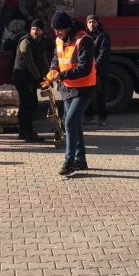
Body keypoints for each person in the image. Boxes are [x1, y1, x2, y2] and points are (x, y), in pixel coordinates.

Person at [48, 10, 96, 176]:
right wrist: (53, 70)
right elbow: (56, 59)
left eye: (60, 29)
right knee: (75, 124)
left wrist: (62, 75)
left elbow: (85, 68)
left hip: (84, 88)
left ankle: (69, 162)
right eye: (55, 30)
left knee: (69, 123)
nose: (57, 33)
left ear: (68, 27)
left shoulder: (84, 40)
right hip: (67, 88)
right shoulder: (58, 40)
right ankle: (80, 160)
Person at [13, 18, 48, 143]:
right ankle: (28, 134)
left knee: (28, 105)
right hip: (23, 78)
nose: (35, 32)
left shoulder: (39, 42)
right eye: (33, 29)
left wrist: (47, 76)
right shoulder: (26, 41)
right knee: (28, 105)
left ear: (42, 31)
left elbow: (43, 60)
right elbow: (29, 62)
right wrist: (39, 77)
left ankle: (24, 132)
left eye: (37, 29)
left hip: (30, 78)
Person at [83, 14, 111, 127]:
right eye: (89, 22)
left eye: (93, 21)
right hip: (87, 71)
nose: (91, 24)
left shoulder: (103, 36)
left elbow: (103, 53)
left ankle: (102, 118)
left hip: (99, 71)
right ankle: (89, 117)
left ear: (97, 23)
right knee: (87, 94)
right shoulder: (85, 36)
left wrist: (94, 66)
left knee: (100, 95)